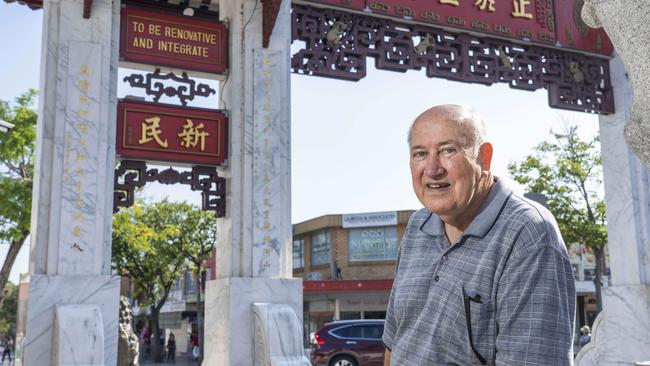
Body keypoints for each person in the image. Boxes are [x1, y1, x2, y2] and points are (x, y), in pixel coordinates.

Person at [382, 105, 576, 365]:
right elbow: (395, 342)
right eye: (420, 153)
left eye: (447, 150)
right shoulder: (418, 225)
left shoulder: (529, 234)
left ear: (484, 158)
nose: (432, 169)